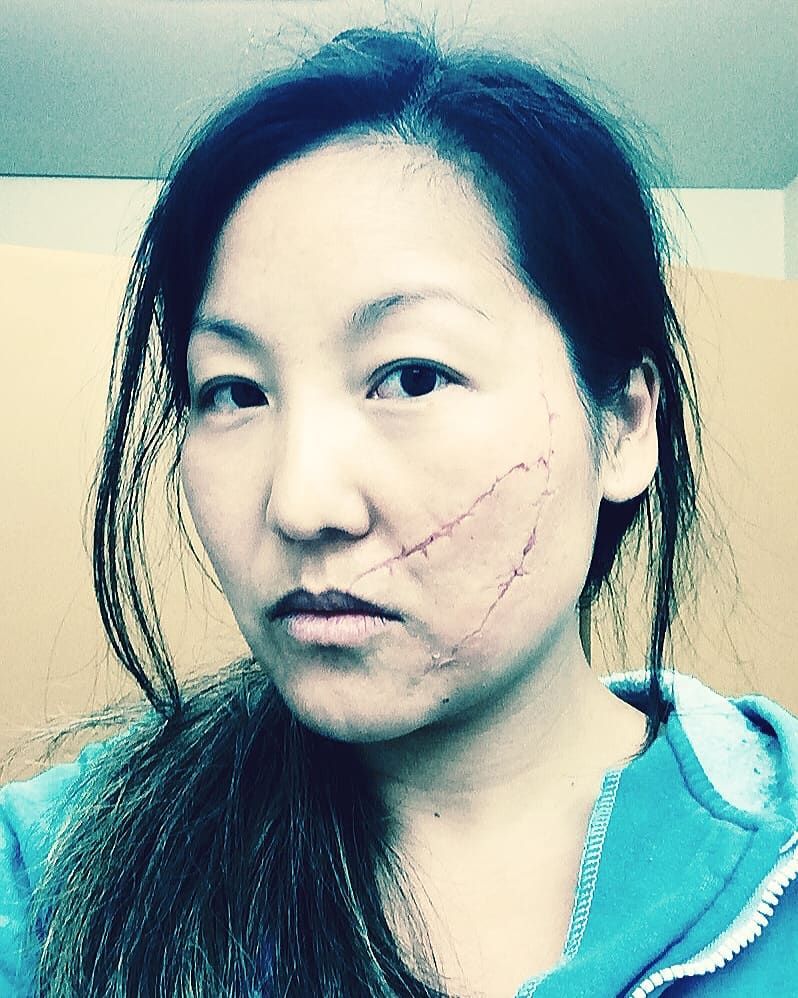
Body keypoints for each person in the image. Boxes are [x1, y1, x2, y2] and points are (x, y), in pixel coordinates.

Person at [0, 24, 796, 998]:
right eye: (235, 391)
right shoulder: (53, 875)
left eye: (412, 376)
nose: (301, 502)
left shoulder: (777, 874)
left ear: (626, 424)